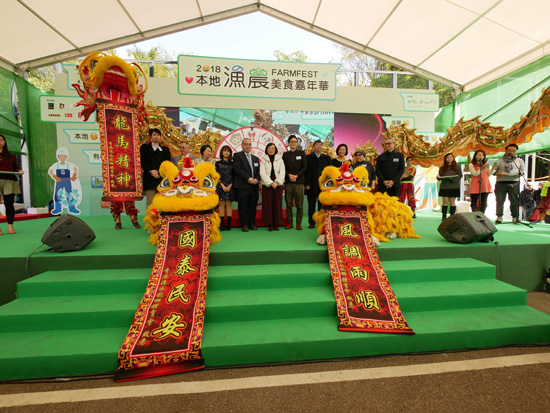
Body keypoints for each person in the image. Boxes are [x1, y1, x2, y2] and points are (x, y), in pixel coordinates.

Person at [492, 143, 525, 224]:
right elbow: (492, 171)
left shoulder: (519, 160)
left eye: (513, 151)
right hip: (501, 182)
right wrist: (499, 173)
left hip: (514, 182)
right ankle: (499, 216)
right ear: (505, 151)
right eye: (509, 151)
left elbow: (523, 171)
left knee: (514, 200)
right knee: (500, 200)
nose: (511, 152)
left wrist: (520, 174)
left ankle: (515, 217)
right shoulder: (499, 160)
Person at [232, 138, 260, 232]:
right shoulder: (237, 155)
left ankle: (252, 224)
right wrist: (248, 179)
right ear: (242, 145)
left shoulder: (255, 158)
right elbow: (237, 169)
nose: (248, 146)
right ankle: (244, 224)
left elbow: (258, 171)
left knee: (252, 206)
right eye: (246, 144)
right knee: (243, 206)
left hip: (254, 186)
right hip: (242, 186)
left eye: (249, 144)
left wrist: (257, 179)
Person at [140, 128, 171, 209]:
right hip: (149, 179)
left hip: (161, 179)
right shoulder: (144, 148)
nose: (156, 137)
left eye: (158, 135)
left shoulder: (165, 150)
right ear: (150, 136)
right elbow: (142, 162)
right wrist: (151, 171)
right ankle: (150, 220)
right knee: (150, 201)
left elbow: (167, 164)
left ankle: (160, 220)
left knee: (161, 201)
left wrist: (158, 172)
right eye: (154, 135)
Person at [282, 135, 307, 230]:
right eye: (291, 141)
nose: (293, 143)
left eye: (295, 142)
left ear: (297, 143)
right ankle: (290, 223)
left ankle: (298, 223)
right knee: (288, 204)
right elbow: (283, 167)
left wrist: (296, 176)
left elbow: (304, 167)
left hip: (299, 182)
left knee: (299, 204)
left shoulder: (301, 153)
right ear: (288, 143)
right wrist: (289, 175)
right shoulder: (285, 155)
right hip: (288, 182)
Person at [305, 140, 332, 228]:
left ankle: (321, 222)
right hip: (311, 185)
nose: (319, 147)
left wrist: (328, 185)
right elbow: (307, 172)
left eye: (320, 145)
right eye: (317, 145)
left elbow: (329, 172)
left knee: (322, 206)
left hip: (323, 186)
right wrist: (307, 184)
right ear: (313, 147)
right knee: (311, 205)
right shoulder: (308, 158)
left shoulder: (327, 158)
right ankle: (311, 222)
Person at [47, 147, 81, 215]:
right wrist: (55, 177)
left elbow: (75, 169)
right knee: (57, 195)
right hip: (59, 182)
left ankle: (72, 208)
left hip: (67, 181)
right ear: (58, 157)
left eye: (64, 156)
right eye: (60, 156)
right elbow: (50, 171)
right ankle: (57, 208)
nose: (62, 157)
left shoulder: (68, 165)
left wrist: (74, 176)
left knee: (69, 193)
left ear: (66, 157)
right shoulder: (56, 165)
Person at [260, 143, 285, 231]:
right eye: (269, 148)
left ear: (275, 150)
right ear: (266, 149)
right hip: (267, 185)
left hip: (278, 184)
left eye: (273, 148)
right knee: (268, 205)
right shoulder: (263, 160)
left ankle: (275, 223)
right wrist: (270, 182)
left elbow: (282, 172)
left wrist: (276, 182)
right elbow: (262, 173)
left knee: (277, 204)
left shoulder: (280, 160)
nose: (271, 150)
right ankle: (270, 223)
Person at [0, 134, 22, 235]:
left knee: (9, 205)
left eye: (1, 140)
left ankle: (10, 226)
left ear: (4, 142)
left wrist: (19, 170)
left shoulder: (11, 155)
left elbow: (15, 168)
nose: (0, 141)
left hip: (9, 181)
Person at [437, 153, 462, 221]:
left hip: (454, 186)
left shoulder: (457, 166)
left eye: (451, 157)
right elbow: (440, 176)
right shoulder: (442, 167)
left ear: (453, 158)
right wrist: (438, 177)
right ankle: (444, 216)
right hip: (445, 186)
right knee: (445, 201)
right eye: (447, 157)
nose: (449, 158)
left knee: (452, 202)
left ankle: (452, 216)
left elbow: (460, 175)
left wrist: (453, 179)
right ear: (445, 159)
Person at [215, 145, 235, 231]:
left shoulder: (232, 163)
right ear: (222, 152)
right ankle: (222, 223)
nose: (226, 152)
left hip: (230, 186)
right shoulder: (218, 163)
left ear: (230, 153)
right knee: (221, 204)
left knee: (229, 204)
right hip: (220, 186)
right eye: (224, 150)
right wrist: (222, 185)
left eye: (228, 151)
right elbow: (217, 176)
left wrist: (230, 185)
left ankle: (229, 224)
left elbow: (234, 176)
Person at [468, 150, 493, 214]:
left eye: (482, 155)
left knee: (484, 201)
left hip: (485, 184)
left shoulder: (486, 165)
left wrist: (494, 167)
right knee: (474, 201)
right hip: (475, 184)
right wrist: (482, 169)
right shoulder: (471, 165)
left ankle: (482, 214)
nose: (481, 157)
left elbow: (489, 174)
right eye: (479, 155)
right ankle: (474, 214)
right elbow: (475, 174)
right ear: (475, 156)